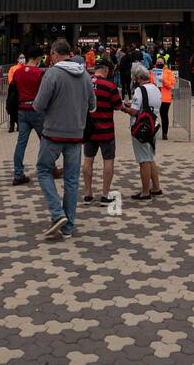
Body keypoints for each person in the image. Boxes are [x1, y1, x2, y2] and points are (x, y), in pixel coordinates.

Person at [33, 39, 95, 238]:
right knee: (71, 180)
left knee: (43, 170)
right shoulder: (85, 75)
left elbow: (39, 105)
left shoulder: (52, 74)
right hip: (76, 134)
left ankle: (57, 213)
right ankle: (68, 227)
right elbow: (93, 105)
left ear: (54, 54)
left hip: (53, 133)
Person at [83, 58, 121, 204]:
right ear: (105, 70)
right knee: (108, 161)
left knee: (88, 160)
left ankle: (88, 194)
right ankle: (105, 195)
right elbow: (117, 106)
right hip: (106, 131)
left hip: (89, 129)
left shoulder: (85, 84)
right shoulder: (110, 86)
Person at [122, 63, 162, 200]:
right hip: (153, 125)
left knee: (143, 160)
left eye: (135, 78)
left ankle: (145, 192)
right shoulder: (156, 88)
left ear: (139, 78)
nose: (135, 81)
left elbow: (134, 111)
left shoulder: (140, 90)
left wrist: (124, 108)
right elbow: (147, 106)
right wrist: (132, 105)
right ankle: (156, 187)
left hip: (141, 128)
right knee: (150, 157)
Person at [10, 46, 47, 185]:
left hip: (22, 110)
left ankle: (18, 173)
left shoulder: (17, 72)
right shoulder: (39, 73)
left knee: (21, 143)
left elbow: (13, 91)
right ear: (38, 58)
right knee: (45, 142)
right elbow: (45, 93)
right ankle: (47, 169)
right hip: (37, 110)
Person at [151, 57, 175, 138]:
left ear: (164, 63)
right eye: (158, 62)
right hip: (153, 97)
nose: (159, 63)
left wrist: (163, 81)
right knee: (152, 115)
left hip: (165, 98)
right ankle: (151, 132)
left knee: (164, 116)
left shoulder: (168, 72)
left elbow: (171, 85)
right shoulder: (152, 71)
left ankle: (165, 133)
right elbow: (149, 83)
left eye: (161, 62)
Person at [6, 53, 26, 132]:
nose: (22, 59)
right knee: (13, 109)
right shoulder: (13, 68)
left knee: (20, 109)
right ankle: (12, 126)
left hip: (23, 91)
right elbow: (10, 79)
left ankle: (19, 125)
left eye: (23, 57)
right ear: (18, 59)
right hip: (14, 90)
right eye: (20, 57)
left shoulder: (27, 68)